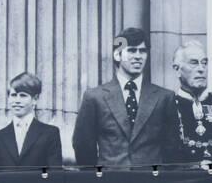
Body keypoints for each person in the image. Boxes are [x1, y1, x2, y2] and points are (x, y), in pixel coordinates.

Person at [71, 27, 181, 170]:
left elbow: (171, 147)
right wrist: (95, 178)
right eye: (131, 50)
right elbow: (83, 145)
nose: (138, 56)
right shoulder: (94, 97)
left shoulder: (164, 97)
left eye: (142, 51)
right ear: (117, 54)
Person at [0, 72, 63, 171]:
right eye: (13, 95)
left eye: (23, 96)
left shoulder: (50, 134)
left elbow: (55, 174)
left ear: (35, 99)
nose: (17, 100)